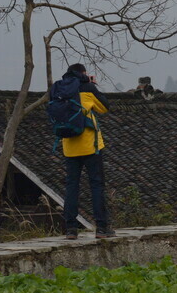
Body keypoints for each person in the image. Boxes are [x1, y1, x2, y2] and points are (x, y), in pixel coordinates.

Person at [59, 63, 115, 239]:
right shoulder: (87, 88)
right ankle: (102, 227)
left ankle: (70, 229)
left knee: (71, 186)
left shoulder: (59, 89)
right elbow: (104, 107)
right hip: (91, 145)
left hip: (69, 146)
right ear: (83, 74)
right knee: (96, 185)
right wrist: (93, 86)